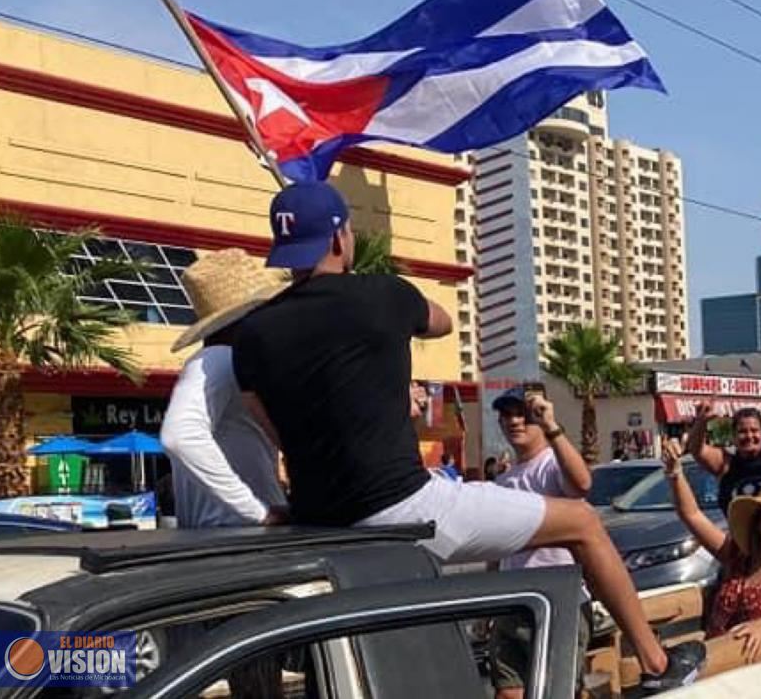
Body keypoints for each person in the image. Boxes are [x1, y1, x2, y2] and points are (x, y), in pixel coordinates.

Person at [232, 181, 703, 691]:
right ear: (340, 240)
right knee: (584, 522)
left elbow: (273, 431)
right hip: (406, 507)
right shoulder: (382, 296)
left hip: (320, 518)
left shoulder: (253, 334)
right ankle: (655, 662)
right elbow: (441, 322)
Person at [662, 439, 761, 663]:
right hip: (712, 661)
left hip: (750, 671)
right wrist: (675, 473)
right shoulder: (736, 555)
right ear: (758, 521)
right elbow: (692, 515)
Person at [160, 249, 289, 528]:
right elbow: (179, 437)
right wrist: (258, 511)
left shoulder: (222, 362)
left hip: (229, 532)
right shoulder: (218, 359)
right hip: (233, 535)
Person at [489, 387, 593, 699]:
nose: (514, 421)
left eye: (522, 413)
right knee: (508, 692)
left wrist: (552, 426)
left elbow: (581, 484)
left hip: (558, 605)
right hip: (512, 604)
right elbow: (496, 546)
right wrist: (488, 606)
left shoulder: (551, 464)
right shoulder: (503, 481)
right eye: (506, 415)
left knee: (555, 693)